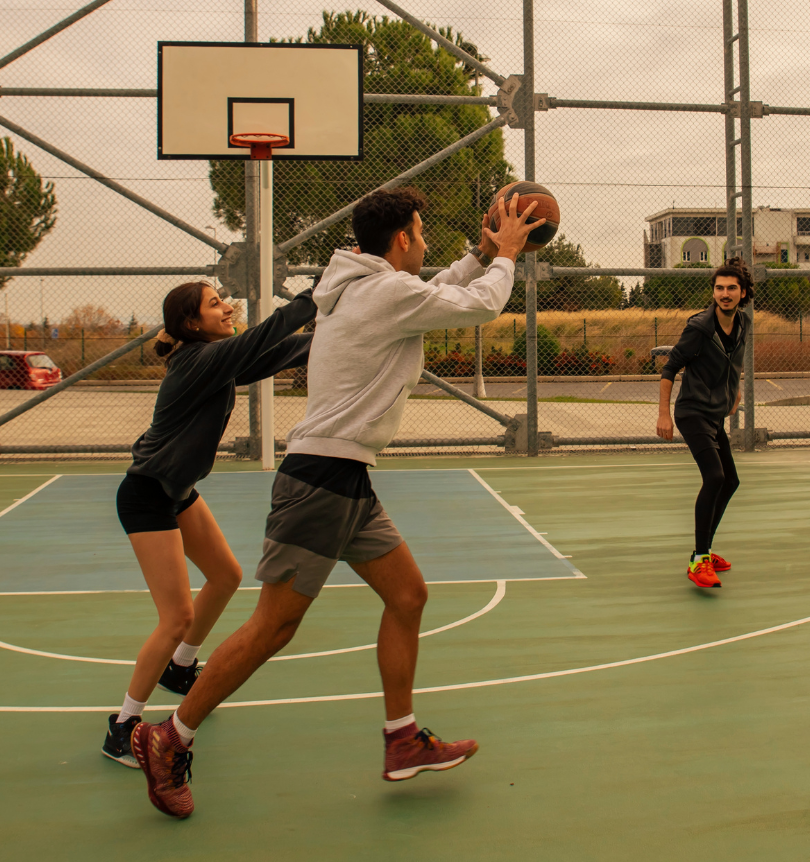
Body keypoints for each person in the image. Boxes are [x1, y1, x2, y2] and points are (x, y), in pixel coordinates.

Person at [132, 186, 546, 818]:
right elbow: (477, 305)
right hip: (321, 480)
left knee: (408, 595)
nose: (426, 241)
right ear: (402, 239)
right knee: (274, 625)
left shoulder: (372, 285)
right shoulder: (384, 293)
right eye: (422, 230)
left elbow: (440, 288)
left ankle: (402, 738)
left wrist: (479, 250)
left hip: (347, 478)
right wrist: (507, 256)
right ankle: (169, 736)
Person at [100, 282, 317, 767]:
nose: (228, 307)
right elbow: (265, 338)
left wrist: (344, 333)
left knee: (226, 576)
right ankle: (122, 726)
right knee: (175, 617)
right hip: (147, 496)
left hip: (176, 492)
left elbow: (280, 352)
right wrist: (315, 295)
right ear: (192, 324)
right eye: (215, 304)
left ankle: (180, 670)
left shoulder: (215, 359)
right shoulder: (197, 361)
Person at [656, 261, 751, 589]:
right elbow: (670, 368)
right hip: (691, 412)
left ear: (742, 292)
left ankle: (705, 552)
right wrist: (663, 414)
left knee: (731, 481)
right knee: (714, 476)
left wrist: (735, 389)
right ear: (713, 292)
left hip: (713, 414)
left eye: (731, 288)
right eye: (719, 288)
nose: (724, 294)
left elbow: (735, 359)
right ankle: (699, 560)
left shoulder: (743, 322)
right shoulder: (700, 328)